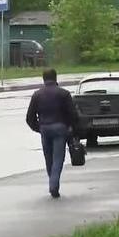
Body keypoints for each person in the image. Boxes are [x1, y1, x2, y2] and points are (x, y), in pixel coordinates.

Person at [25, 69, 78, 198]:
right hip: (60, 128)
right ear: (56, 78)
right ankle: (53, 185)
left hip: (45, 128)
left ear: (43, 79)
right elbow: (73, 114)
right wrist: (71, 128)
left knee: (48, 158)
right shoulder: (64, 94)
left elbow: (29, 117)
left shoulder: (37, 95)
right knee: (58, 159)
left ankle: (52, 181)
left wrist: (38, 128)